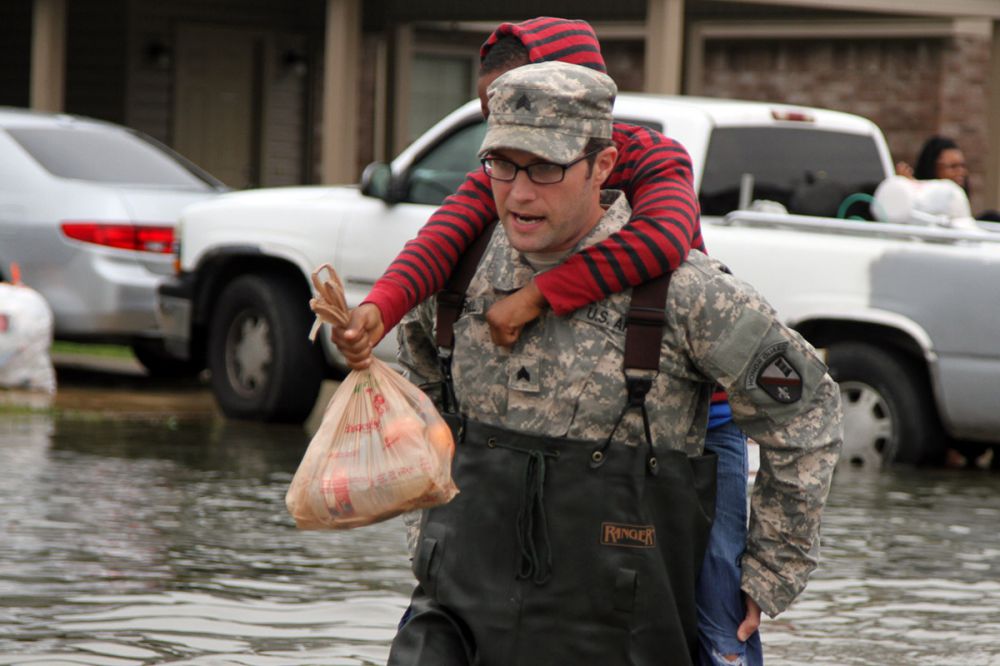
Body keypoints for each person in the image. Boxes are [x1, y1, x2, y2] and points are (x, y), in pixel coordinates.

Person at [327, 17, 762, 664]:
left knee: (719, 616)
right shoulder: (507, 174)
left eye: (524, 105)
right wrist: (378, 312)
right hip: (560, 461)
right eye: (495, 116)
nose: (509, 127)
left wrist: (535, 297)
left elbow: (661, 240)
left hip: (697, 429)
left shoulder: (652, 158)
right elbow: (438, 243)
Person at [385, 60, 842, 665]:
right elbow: (418, 389)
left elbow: (807, 412)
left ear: (602, 167)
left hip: (620, 630)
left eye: (546, 168)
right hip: (458, 618)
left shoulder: (685, 294)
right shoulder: (458, 275)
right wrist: (426, 536)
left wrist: (767, 571)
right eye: (502, 164)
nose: (519, 192)